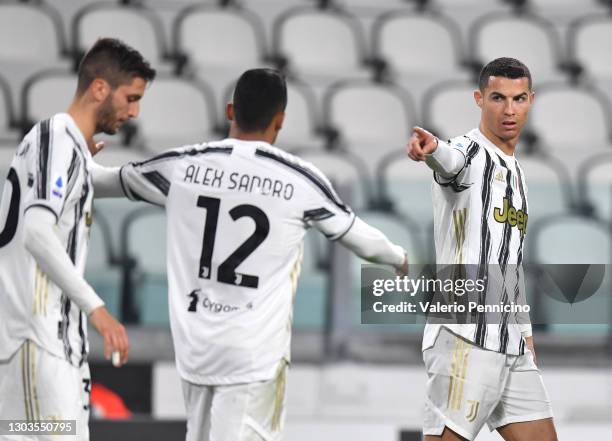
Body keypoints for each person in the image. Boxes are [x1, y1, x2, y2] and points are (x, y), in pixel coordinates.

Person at [92, 68, 409, 441]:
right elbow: (360, 239)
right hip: (253, 354)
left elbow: (103, 181)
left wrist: (76, 154)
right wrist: (398, 257)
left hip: (196, 348)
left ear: (230, 111)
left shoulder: (183, 165)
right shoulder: (298, 179)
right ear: (280, 120)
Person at [0, 38, 156, 440]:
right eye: (131, 97)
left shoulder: (69, 149)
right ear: (100, 88)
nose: (134, 112)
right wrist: (96, 308)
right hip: (37, 342)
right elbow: (36, 232)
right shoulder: (57, 137)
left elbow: (88, 180)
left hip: (51, 348)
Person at [406, 58, 558, 441]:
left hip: (509, 341)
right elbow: (449, 161)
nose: (509, 109)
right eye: (498, 98)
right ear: (479, 99)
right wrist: (432, 148)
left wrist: (524, 329)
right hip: (465, 337)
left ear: (531, 100)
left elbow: (511, 261)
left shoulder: (517, 172)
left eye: (519, 98)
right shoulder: (469, 153)